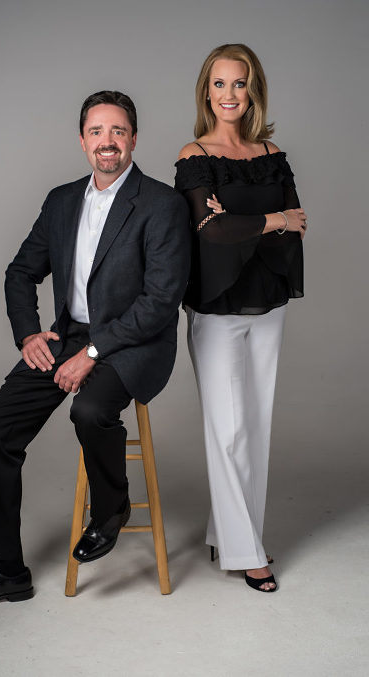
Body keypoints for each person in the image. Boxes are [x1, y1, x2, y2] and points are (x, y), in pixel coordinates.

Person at [0, 90, 190, 610]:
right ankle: (8, 569)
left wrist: (95, 352)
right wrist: (29, 334)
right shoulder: (61, 201)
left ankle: (111, 509)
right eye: (97, 132)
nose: (108, 142)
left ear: (134, 140)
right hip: (68, 334)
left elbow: (160, 302)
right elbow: (20, 272)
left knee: (91, 408)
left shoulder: (162, 204)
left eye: (118, 132)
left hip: (134, 342)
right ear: (82, 141)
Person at [175, 44, 306, 592]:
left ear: (253, 90)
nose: (230, 95)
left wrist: (247, 220)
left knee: (257, 427)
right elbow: (212, 231)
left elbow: (299, 221)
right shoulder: (193, 155)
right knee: (227, 430)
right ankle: (248, 552)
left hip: (268, 300)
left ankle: (229, 532)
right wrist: (269, 218)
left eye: (240, 83)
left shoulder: (272, 151)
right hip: (217, 308)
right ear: (207, 91)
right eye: (220, 84)